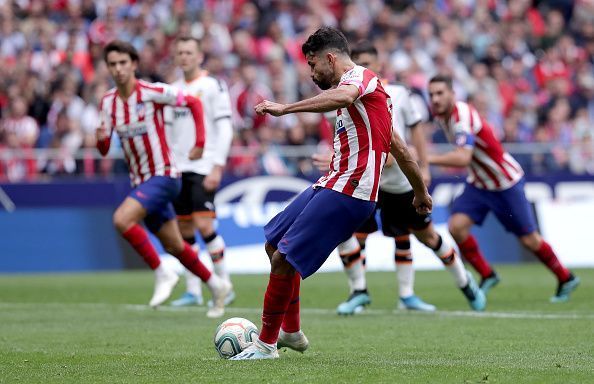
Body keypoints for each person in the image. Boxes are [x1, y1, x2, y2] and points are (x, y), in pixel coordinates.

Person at [230, 27, 432, 360]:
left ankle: (265, 346)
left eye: (312, 65)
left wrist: (286, 108)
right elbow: (399, 147)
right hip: (333, 181)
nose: (311, 73)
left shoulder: (361, 79)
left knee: (283, 258)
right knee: (273, 245)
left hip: (352, 191)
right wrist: (421, 191)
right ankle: (291, 333)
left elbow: (344, 97)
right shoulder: (365, 98)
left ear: (330, 58)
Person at [313, 41, 485, 315]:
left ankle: (463, 283)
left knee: (424, 236)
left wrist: (424, 166)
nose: (364, 68)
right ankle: (359, 291)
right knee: (346, 231)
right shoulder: (338, 100)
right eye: (359, 63)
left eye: (369, 63)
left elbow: (414, 133)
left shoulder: (399, 94)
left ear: (379, 65)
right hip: (365, 182)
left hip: (397, 182)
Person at [95, 40, 230, 318]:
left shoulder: (152, 91)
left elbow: (192, 102)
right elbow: (105, 148)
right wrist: (100, 140)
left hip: (165, 174)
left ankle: (161, 271)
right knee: (176, 245)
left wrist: (201, 143)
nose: (118, 69)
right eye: (113, 64)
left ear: (133, 64)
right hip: (141, 181)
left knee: (121, 220)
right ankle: (216, 285)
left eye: (123, 63)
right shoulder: (108, 102)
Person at [427, 74, 580, 303]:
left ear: (452, 94)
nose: (435, 99)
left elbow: (462, 158)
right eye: (431, 94)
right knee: (456, 227)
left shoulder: (462, 115)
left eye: (440, 93)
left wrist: (425, 158)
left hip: (504, 182)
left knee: (529, 240)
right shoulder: (442, 116)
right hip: (480, 183)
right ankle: (487, 274)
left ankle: (565, 277)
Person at [164, 36, 235, 307]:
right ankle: (193, 290)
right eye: (180, 52)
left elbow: (225, 127)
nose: (184, 56)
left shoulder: (212, 86)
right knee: (184, 230)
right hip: (178, 169)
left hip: (204, 166)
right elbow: (169, 132)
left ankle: (224, 285)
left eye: (189, 52)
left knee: (204, 224)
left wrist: (218, 165)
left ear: (199, 56)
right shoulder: (172, 90)